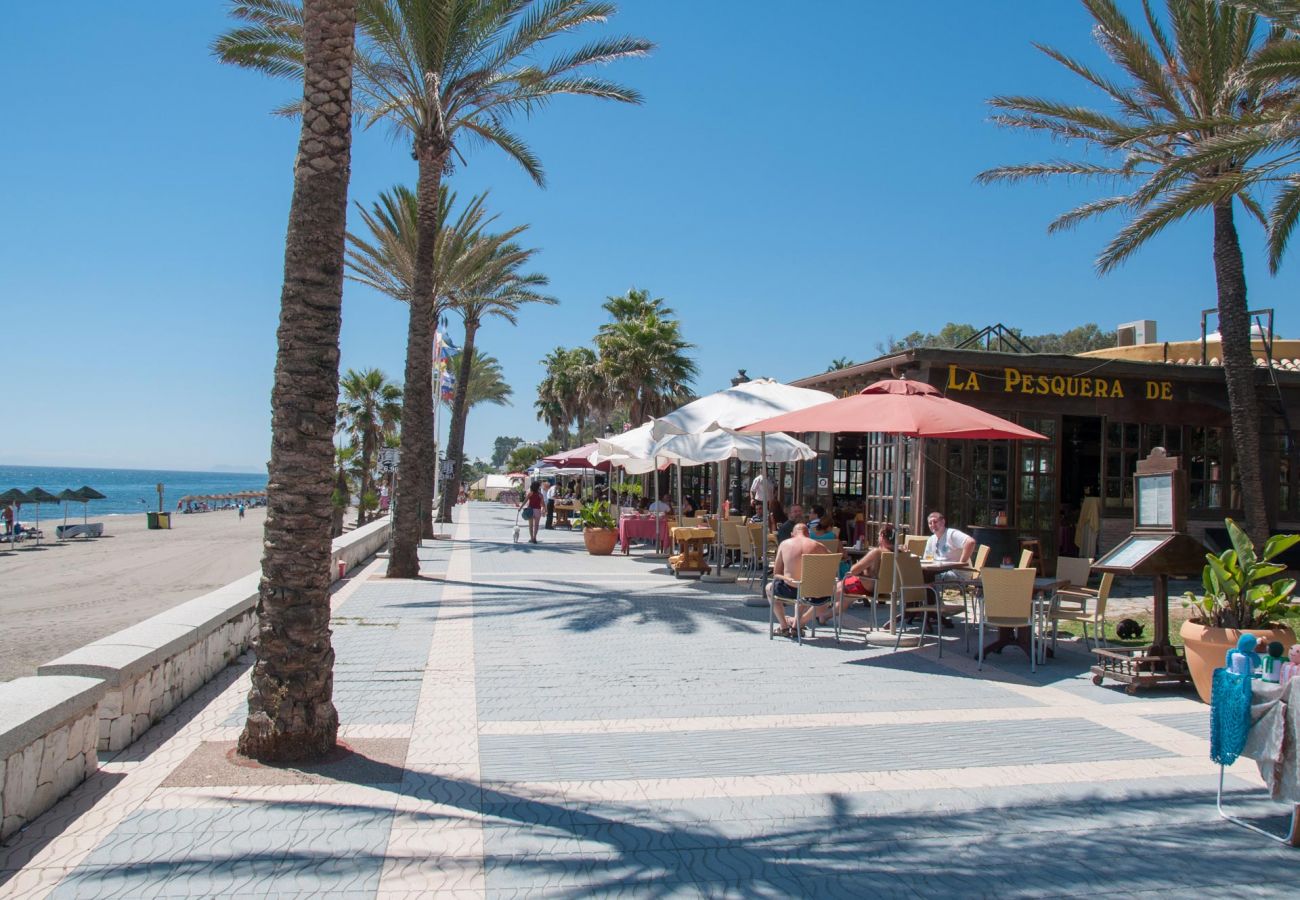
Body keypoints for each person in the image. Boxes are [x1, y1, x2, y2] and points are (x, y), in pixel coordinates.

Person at [767, 523, 832, 637]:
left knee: (769, 588)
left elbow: (776, 573)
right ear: (808, 534)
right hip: (811, 592)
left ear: (792, 534)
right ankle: (797, 626)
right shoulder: (818, 545)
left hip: (791, 590)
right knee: (806, 588)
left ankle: (784, 627)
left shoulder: (784, 544)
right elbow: (832, 564)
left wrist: (788, 576)